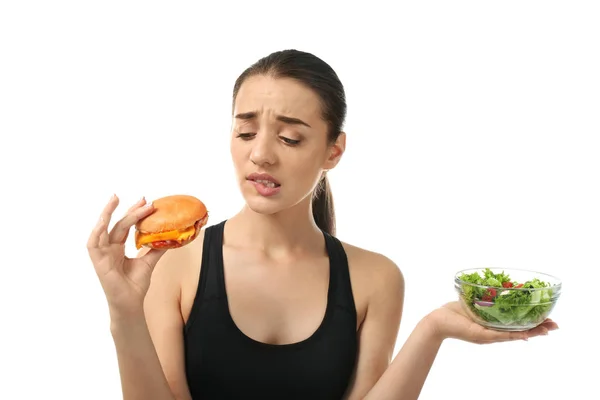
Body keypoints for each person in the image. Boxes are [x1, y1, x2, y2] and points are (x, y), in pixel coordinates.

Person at [86, 49, 558, 400]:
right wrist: (124, 312)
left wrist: (433, 329)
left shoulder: (376, 278)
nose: (261, 154)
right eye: (245, 132)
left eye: (290, 137)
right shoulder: (176, 265)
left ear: (333, 151)